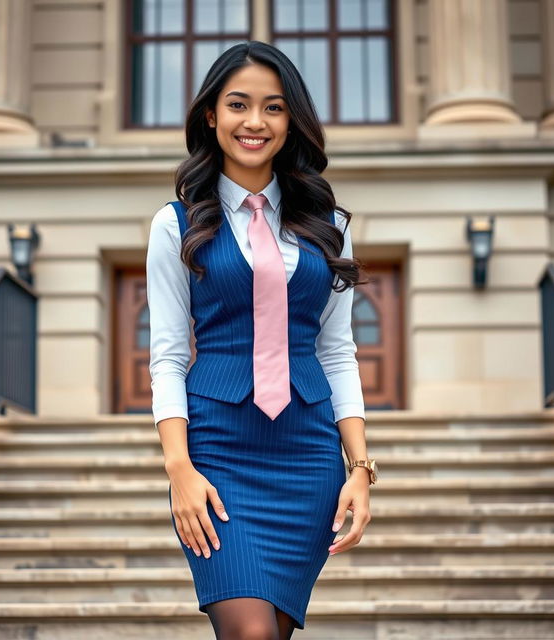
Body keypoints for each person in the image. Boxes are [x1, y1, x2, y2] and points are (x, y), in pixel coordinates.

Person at [147, 40, 375, 640]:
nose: (255, 122)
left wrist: (359, 469)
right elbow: (168, 355)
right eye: (239, 104)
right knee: (249, 632)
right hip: (217, 455)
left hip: (308, 454)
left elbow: (336, 351)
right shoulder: (175, 224)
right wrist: (179, 470)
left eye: (273, 108)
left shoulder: (332, 228)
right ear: (211, 116)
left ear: (291, 120)